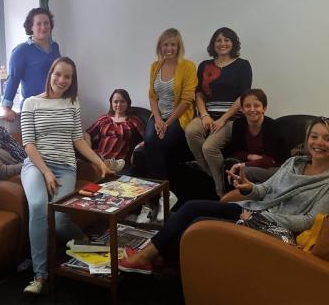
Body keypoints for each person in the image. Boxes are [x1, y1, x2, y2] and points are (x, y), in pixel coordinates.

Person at [119, 117, 329, 274]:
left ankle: (153, 257)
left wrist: (261, 216)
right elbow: (265, 189)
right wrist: (248, 187)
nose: (319, 143)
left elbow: (308, 221)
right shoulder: (293, 163)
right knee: (191, 207)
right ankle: (154, 256)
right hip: (252, 209)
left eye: (327, 138)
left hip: (272, 226)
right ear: (307, 139)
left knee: (200, 223)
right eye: (314, 136)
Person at [20, 57, 113, 294]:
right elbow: (28, 144)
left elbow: (78, 139)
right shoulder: (30, 103)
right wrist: (46, 171)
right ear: (50, 74)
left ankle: (88, 246)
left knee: (61, 219)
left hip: (65, 167)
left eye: (67, 77)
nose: (61, 80)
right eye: (58, 74)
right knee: (40, 206)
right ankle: (40, 275)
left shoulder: (72, 103)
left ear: (72, 80)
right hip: (36, 165)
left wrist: (99, 162)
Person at [185, 27, 252, 197]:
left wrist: (223, 119)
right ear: (213, 44)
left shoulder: (242, 65)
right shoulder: (204, 66)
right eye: (218, 40)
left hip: (232, 118)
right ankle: (218, 177)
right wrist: (204, 115)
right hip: (207, 114)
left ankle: (220, 190)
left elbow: (242, 97)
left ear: (233, 43)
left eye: (227, 40)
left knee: (209, 147)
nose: (222, 44)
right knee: (191, 131)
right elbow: (198, 94)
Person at [143, 28, 197, 180]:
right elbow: (152, 96)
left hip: (178, 118)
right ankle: (155, 189)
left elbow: (187, 100)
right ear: (160, 47)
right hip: (159, 115)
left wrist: (167, 123)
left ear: (179, 46)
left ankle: (163, 191)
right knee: (149, 141)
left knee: (159, 142)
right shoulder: (155, 66)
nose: (169, 49)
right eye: (165, 45)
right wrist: (159, 120)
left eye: (173, 45)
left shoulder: (188, 66)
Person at [2, 8, 61, 122]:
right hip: (34, 110)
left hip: (55, 106)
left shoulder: (55, 47)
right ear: (31, 27)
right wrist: (6, 107)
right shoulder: (21, 51)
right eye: (38, 24)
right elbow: (13, 79)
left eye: (46, 23)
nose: (43, 27)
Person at [225, 89, 285, 183]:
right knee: (240, 171)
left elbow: (267, 162)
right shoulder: (238, 124)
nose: (252, 109)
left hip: (276, 168)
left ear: (264, 108)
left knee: (244, 172)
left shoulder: (273, 126)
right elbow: (235, 151)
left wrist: (241, 165)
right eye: (247, 106)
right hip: (256, 165)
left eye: (257, 105)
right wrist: (251, 156)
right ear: (242, 109)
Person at [84, 89, 145, 173]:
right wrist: (88, 147)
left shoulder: (133, 120)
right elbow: (87, 133)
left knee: (95, 169)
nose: (119, 104)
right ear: (111, 103)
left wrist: (137, 147)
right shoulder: (104, 118)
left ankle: (105, 166)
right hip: (99, 156)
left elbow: (148, 138)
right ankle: (101, 165)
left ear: (128, 103)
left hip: (118, 161)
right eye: (115, 102)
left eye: (122, 101)